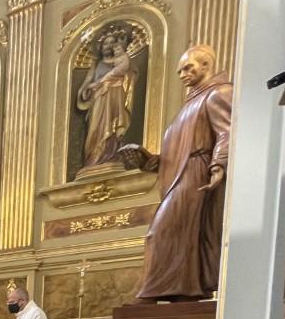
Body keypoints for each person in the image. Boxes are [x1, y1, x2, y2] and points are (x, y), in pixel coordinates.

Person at [119, 45, 232, 301]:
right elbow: (177, 152)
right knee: (175, 233)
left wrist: (218, 165)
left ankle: (151, 293)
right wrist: (149, 159)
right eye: (180, 70)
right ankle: (182, 291)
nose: (182, 74)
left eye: (188, 67)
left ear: (205, 66)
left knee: (161, 232)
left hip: (197, 173)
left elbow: (227, 131)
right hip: (181, 172)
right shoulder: (190, 104)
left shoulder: (218, 93)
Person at [77, 31, 135, 170]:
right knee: (95, 127)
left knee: (113, 125)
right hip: (99, 98)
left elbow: (131, 76)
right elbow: (88, 81)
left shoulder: (121, 61)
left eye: (111, 43)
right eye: (105, 43)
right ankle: (93, 159)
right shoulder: (96, 64)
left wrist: (121, 79)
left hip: (115, 96)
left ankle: (112, 155)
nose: (108, 46)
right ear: (101, 46)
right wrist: (85, 90)